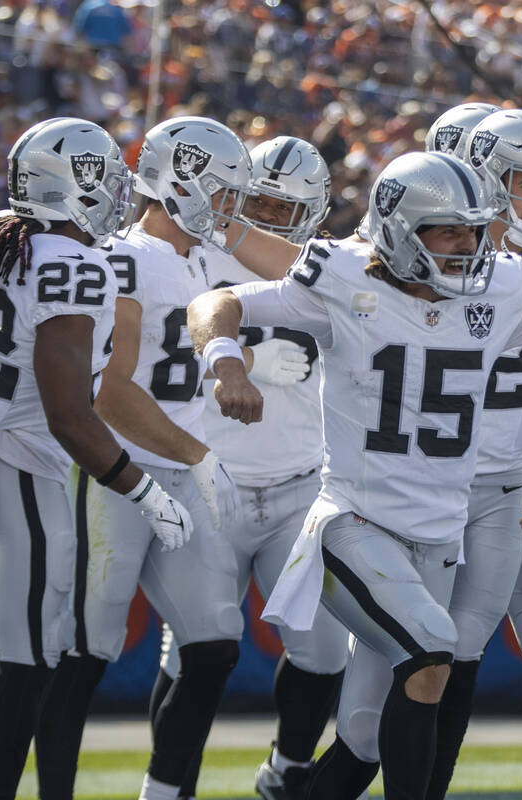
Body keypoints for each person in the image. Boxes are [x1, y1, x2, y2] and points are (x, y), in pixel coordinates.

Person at [188, 150, 522, 800]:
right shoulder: (343, 276)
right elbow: (219, 302)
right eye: (449, 230)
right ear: (399, 229)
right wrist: (228, 364)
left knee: (365, 736)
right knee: (433, 652)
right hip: (353, 525)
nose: (468, 245)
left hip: (438, 539)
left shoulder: (501, 285)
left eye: (472, 228)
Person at [318, 108, 522, 800]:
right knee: (382, 699)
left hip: (504, 478)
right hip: (405, 490)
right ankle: (293, 773)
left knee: (490, 648)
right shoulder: (393, 258)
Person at [35, 116, 301, 800]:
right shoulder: (125, 258)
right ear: (176, 182)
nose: (229, 209)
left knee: (212, 645)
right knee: (85, 652)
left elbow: (300, 267)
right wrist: (201, 455)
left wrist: (192, 459)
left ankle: (160, 793)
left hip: (180, 471)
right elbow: (109, 392)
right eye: (219, 193)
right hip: (113, 471)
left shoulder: (200, 259)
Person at [0, 118, 195, 800]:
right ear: (70, 185)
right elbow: (69, 412)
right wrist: (145, 493)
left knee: (28, 658)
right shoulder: (70, 262)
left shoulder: (3, 233)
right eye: (103, 179)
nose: (114, 192)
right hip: (23, 456)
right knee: (27, 663)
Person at [150, 135, 348, 800]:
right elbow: (148, 337)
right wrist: (238, 358)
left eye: (286, 207)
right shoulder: (194, 251)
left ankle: (288, 767)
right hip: (213, 478)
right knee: (193, 652)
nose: (270, 216)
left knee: (322, 651)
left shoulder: (327, 268)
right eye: (260, 201)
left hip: (299, 483)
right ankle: (170, 786)